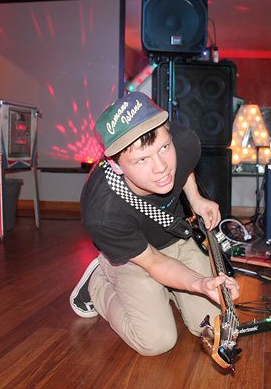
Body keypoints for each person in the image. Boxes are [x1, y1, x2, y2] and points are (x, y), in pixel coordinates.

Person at [69, 91, 240, 356]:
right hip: (136, 256)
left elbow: (182, 166)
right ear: (115, 165)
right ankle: (98, 282)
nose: (161, 167)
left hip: (175, 239)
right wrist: (196, 283)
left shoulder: (184, 143)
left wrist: (195, 199)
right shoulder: (102, 212)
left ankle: (167, 291)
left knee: (210, 322)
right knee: (157, 341)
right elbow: (153, 262)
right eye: (141, 159)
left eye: (164, 148)